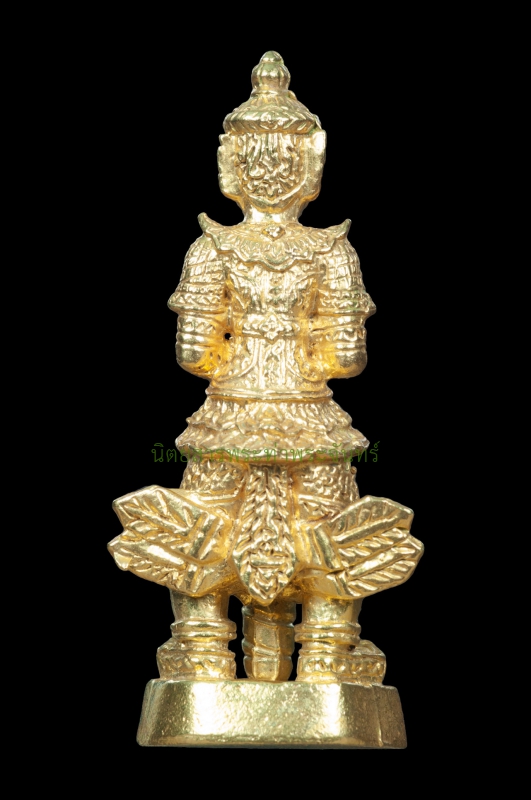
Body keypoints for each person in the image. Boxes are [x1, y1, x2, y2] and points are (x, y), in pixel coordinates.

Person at [109, 52, 423, 684]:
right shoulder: (332, 252)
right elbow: (347, 359)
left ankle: (202, 656)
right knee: (335, 541)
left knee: (197, 536)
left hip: (226, 418)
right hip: (314, 423)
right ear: (313, 164)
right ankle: (326, 659)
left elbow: (193, 354)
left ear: (230, 164)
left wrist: (241, 358)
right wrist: (300, 356)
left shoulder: (211, 248)